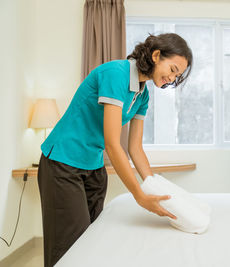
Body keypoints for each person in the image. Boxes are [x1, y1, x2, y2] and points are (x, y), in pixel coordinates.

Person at [37, 33, 192, 267]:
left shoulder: (143, 94)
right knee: (67, 247)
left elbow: (135, 148)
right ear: (156, 55)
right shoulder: (115, 74)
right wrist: (139, 196)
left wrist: (154, 187)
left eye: (177, 75)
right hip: (63, 163)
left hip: (93, 166)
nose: (171, 78)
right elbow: (112, 142)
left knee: (91, 241)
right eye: (172, 69)